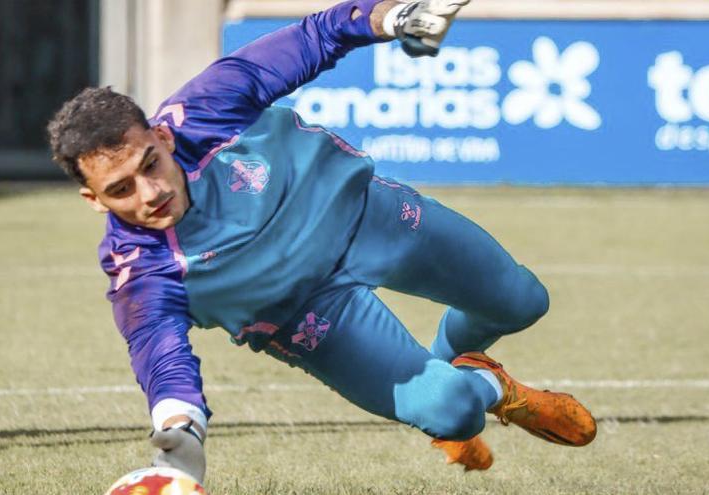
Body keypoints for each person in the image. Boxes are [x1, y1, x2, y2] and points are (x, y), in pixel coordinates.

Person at [47, 0, 596, 484]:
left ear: (163, 137)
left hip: (369, 218)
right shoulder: (137, 270)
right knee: (452, 411)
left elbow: (319, 34)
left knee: (524, 301)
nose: (150, 193)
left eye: (151, 165)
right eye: (120, 190)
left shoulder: (206, 110)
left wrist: (396, 17)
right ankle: (494, 390)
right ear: (94, 201)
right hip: (308, 316)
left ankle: (455, 361)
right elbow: (162, 358)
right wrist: (181, 433)